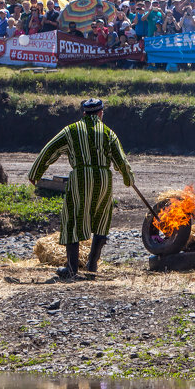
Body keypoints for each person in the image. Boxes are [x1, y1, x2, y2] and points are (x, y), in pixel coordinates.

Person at [26, 99, 134, 278]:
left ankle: (72, 269)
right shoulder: (108, 132)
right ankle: (92, 265)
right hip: (103, 179)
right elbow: (120, 159)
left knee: (74, 217)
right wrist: (128, 178)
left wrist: (36, 172)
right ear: (100, 114)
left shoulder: (71, 131)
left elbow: (49, 149)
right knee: (101, 218)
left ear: (84, 113)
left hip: (81, 177)